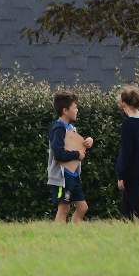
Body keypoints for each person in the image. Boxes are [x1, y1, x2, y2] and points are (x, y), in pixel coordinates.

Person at [47, 90, 93, 224]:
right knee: (64, 208)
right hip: (62, 178)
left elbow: (76, 145)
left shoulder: (71, 128)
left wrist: (88, 142)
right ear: (65, 110)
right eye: (75, 107)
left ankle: (74, 235)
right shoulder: (58, 128)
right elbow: (59, 154)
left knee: (83, 207)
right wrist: (77, 154)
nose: (77, 110)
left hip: (73, 176)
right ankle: (57, 238)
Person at [115, 86, 139, 219]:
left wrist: (121, 174)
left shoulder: (129, 123)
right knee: (127, 208)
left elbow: (126, 152)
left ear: (124, 103)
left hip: (131, 173)